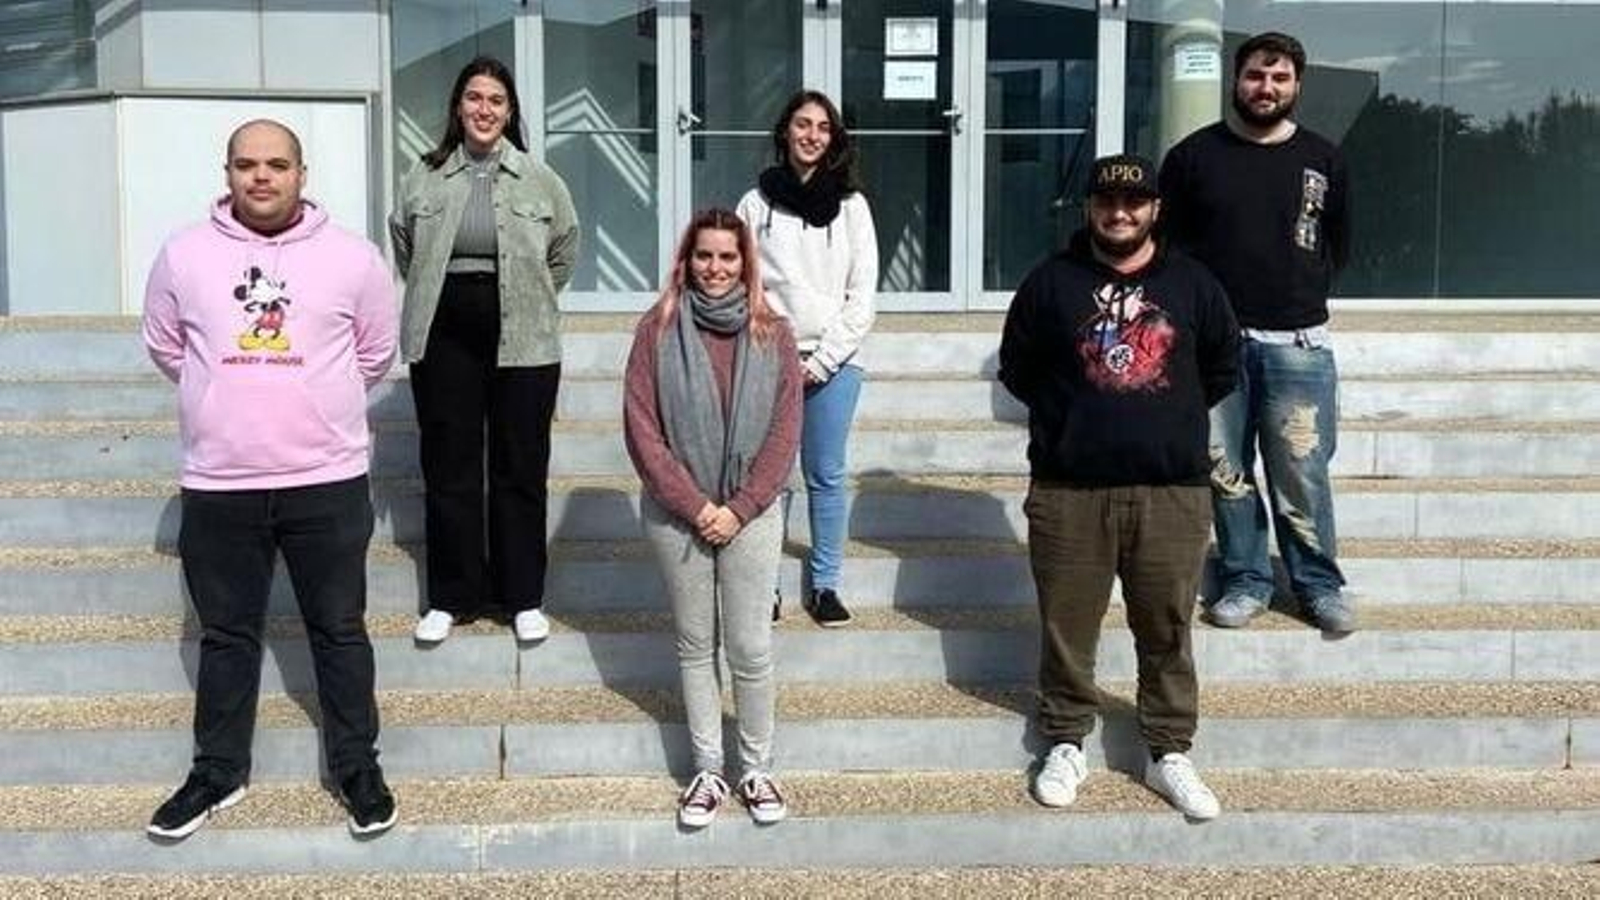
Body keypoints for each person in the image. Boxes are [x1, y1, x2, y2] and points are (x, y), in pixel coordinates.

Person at [141, 119, 399, 839]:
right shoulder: (183, 255)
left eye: (276, 164)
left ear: (301, 173)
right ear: (226, 172)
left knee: (340, 631)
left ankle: (356, 768)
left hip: (327, 478)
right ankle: (217, 772)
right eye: (247, 164)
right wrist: (225, 400)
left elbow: (374, 353)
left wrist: (312, 406)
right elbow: (167, 346)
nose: (262, 177)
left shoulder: (353, 259)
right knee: (226, 635)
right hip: (221, 483)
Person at [999, 154, 1239, 821]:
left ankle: (1167, 751)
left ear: (1155, 209)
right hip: (1070, 490)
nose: (1120, 213)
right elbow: (1018, 369)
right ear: (1090, 209)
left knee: (1165, 626)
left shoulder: (1194, 284)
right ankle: (1067, 739)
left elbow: (1222, 364)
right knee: (1068, 627)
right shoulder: (1052, 283)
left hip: (1171, 491)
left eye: (1134, 203)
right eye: (1107, 201)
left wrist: (1158, 415)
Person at [1158, 32, 1354, 633]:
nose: (1265, 88)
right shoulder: (1192, 158)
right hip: (1214, 347)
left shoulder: (1323, 158)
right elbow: (1167, 252)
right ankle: (1246, 578)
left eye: (1279, 78)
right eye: (1254, 76)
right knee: (1226, 470)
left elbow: (1338, 246)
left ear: (1297, 85)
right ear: (1235, 81)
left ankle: (1319, 584)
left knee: (1301, 469)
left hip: (1297, 344)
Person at [390, 56, 581, 644]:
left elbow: (564, 250)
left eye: (496, 100)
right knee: (450, 465)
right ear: (457, 107)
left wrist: (528, 295)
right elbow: (404, 244)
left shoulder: (541, 179)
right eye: (474, 98)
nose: (484, 110)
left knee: (519, 466)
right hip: (444, 331)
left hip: (524, 332)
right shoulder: (422, 177)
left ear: (510, 111)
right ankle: (453, 595)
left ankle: (521, 596)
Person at [623, 209, 802, 828]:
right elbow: (642, 428)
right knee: (697, 647)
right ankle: (707, 768)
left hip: (751, 512)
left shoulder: (773, 333)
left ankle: (754, 769)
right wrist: (698, 506)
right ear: (686, 259)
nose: (716, 268)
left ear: (746, 264)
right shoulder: (657, 328)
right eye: (705, 256)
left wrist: (740, 508)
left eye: (728, 257)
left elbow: (785, 432)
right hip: (679, 514)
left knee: (750, 647)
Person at [737, 89, 877, 628]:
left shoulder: (853, 207)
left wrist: (822, 363)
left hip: (835, 363)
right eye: (802, 124)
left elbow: (861, 295)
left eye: (822, 127)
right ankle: (764, 586)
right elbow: (745, 285)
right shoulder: (755, 203)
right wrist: (778, 353)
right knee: (769, 477)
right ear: (785, 132)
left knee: (826, 473)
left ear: (834, 139)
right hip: (770, 359)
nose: (812, 135)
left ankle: (825, 585)